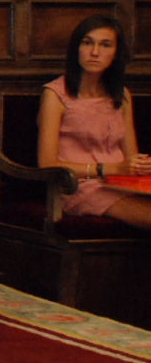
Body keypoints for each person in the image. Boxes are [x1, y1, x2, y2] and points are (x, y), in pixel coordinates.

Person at [39, 14, 151, 227]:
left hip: (119, 184)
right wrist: (109, 169)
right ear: (76, 49)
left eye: (105, 45)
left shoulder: (121, 95)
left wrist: (141, 165)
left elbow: (131, 157)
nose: (95, 52)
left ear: (116, 54)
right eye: (88, 43)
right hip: (78, 187)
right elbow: (47, 164)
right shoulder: (55, 94)